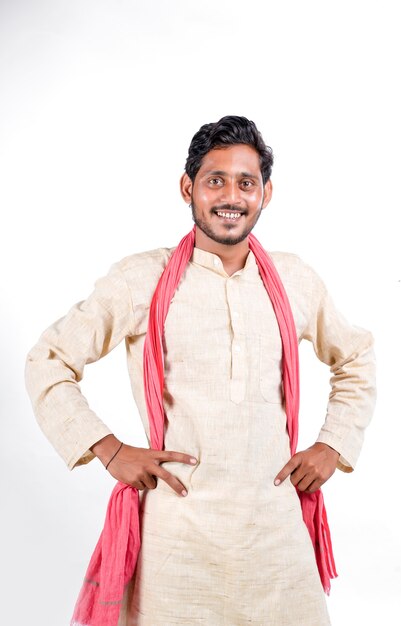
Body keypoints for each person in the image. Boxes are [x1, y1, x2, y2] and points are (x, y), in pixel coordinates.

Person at [25, 115, 376, 626]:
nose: (230, 195)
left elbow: (356, 356)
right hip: (176, 545)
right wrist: (109, 449)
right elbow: (48, 360)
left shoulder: (295, 280)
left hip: (274, 542)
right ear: (188, 187)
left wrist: (334, 443)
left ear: (266, 193)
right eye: (216, 180)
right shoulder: (140, 278)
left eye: (245, 182)